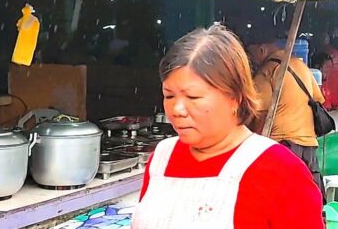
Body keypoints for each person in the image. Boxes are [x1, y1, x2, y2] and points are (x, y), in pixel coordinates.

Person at [134, 26, 323, 228]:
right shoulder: (162, 157)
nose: (177, 109)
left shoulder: (280, 169)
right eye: (169, 95)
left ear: (235, 98)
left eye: (193, 97)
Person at [247, 39, 325, 194]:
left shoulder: (267, 71)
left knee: (283, 194)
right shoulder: (300, 65)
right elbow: (319, 98)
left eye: (251, 54)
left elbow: (258, 111)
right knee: (308, 193)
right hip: (308, 141)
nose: (250, 60)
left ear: (261, 49)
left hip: (284, 143)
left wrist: (250, 138)